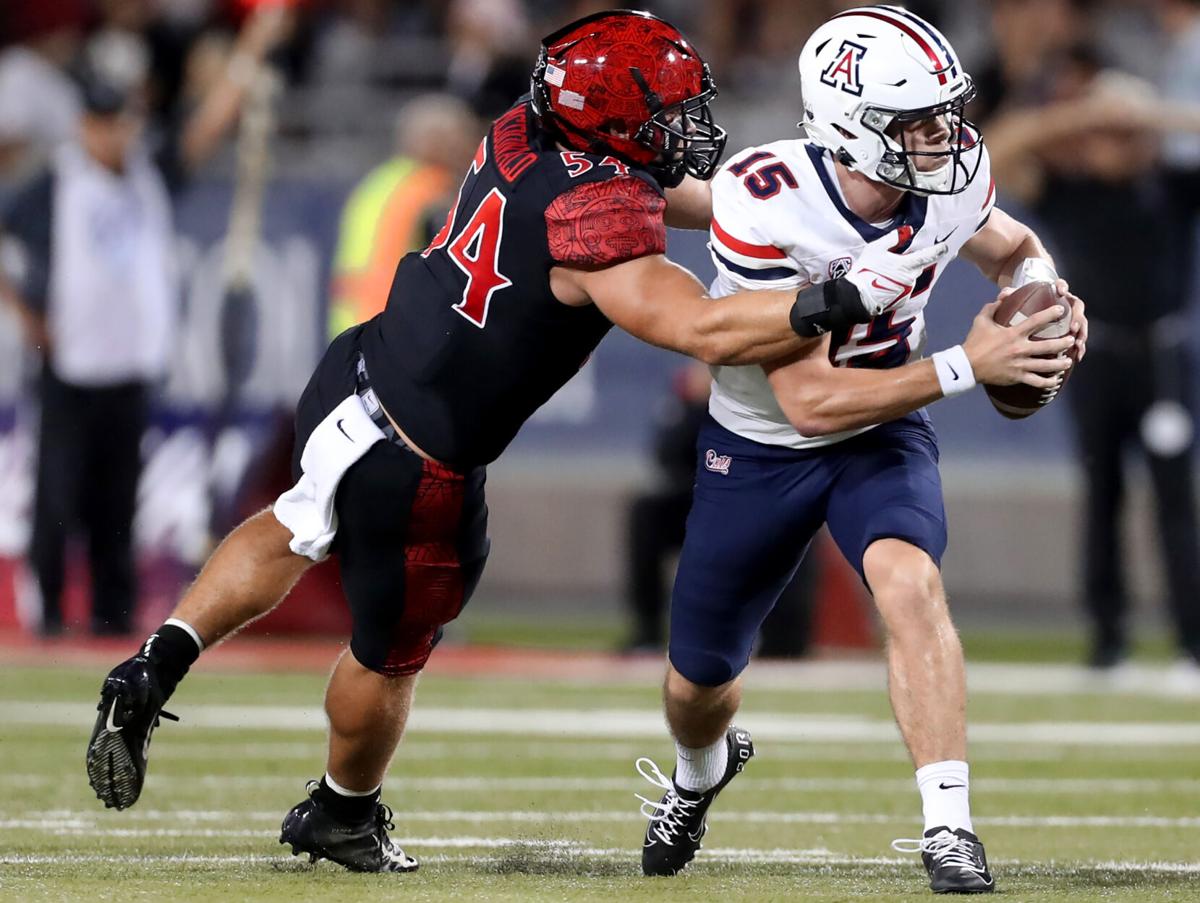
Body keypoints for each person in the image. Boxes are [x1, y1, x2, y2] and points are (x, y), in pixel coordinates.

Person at [81, 9, 983, 875]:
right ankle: (342, 809)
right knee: (390, 653)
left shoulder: (523, 125)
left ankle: (157, 660)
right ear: (612, 126)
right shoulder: (594, 221)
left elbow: (675, 194)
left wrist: (783, 209)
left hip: (364, 366)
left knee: (295, 519)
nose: (683, 130)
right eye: (663, 117)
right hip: (424, 457)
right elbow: (705, 330)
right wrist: (844, 292)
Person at [632, 7, 1087, 895]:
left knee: (910, 584)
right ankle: (698, 773)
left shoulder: (951, 176)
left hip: (881, 429)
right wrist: (967, 363)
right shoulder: (766, 201)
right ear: (849, 123)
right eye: (916, 121)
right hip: (761, 444)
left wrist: (1045, 302)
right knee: (696, 684)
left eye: (944, 113)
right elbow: (809, 403)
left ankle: (949, 827)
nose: (943, 135)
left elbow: (1014, 246)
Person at [0, 11, 290, 637]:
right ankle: (48, 615)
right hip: (70, 366)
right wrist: (26, 314)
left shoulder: (147, 171)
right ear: (84, 125)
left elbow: (208, 125)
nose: (117, 134)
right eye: (106, 122)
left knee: (117, 504)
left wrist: (251, 49)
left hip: (129, 365)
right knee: (57, 499)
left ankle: (112, 618)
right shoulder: (54, 184)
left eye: (123, 121)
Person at [981, 44, 1200, 682]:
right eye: (1105, 133)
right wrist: (1080, 115)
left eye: (1123, 134)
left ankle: (1192, 644)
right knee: (1101, 497)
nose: (1114, 143)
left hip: (1162, 356)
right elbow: (995, 151)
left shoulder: (1173, 187)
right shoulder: (1067, 190)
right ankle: (1108, 644)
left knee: (1176, 503)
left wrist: (1148, 114)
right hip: (1094, 356)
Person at [622, 360, 816, 656]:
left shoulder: (779, 381)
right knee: (647, 512)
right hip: (703, 496)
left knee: (798, 513)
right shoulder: (695, 390)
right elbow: (667, 456)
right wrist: (698, 405)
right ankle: (647, 631)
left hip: (762, 495)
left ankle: (785, 639)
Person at [327, 94, 480, 339]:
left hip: (351, 325)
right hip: (393, 327)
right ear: (435, 141)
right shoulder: (431, 187)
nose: (473, 146)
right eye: (463, 136)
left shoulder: (380, 181)